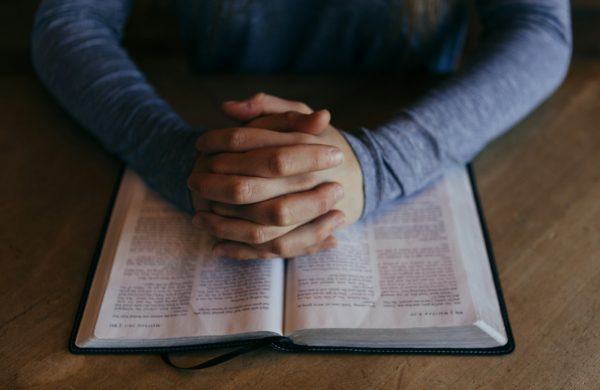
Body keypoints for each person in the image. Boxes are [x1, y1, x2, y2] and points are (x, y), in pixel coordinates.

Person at [31, 0, 572, 259]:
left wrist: (380, 165)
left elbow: (539, 27)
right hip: (216, 124)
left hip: (412, 119)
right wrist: (187, 160)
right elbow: (68, 22)